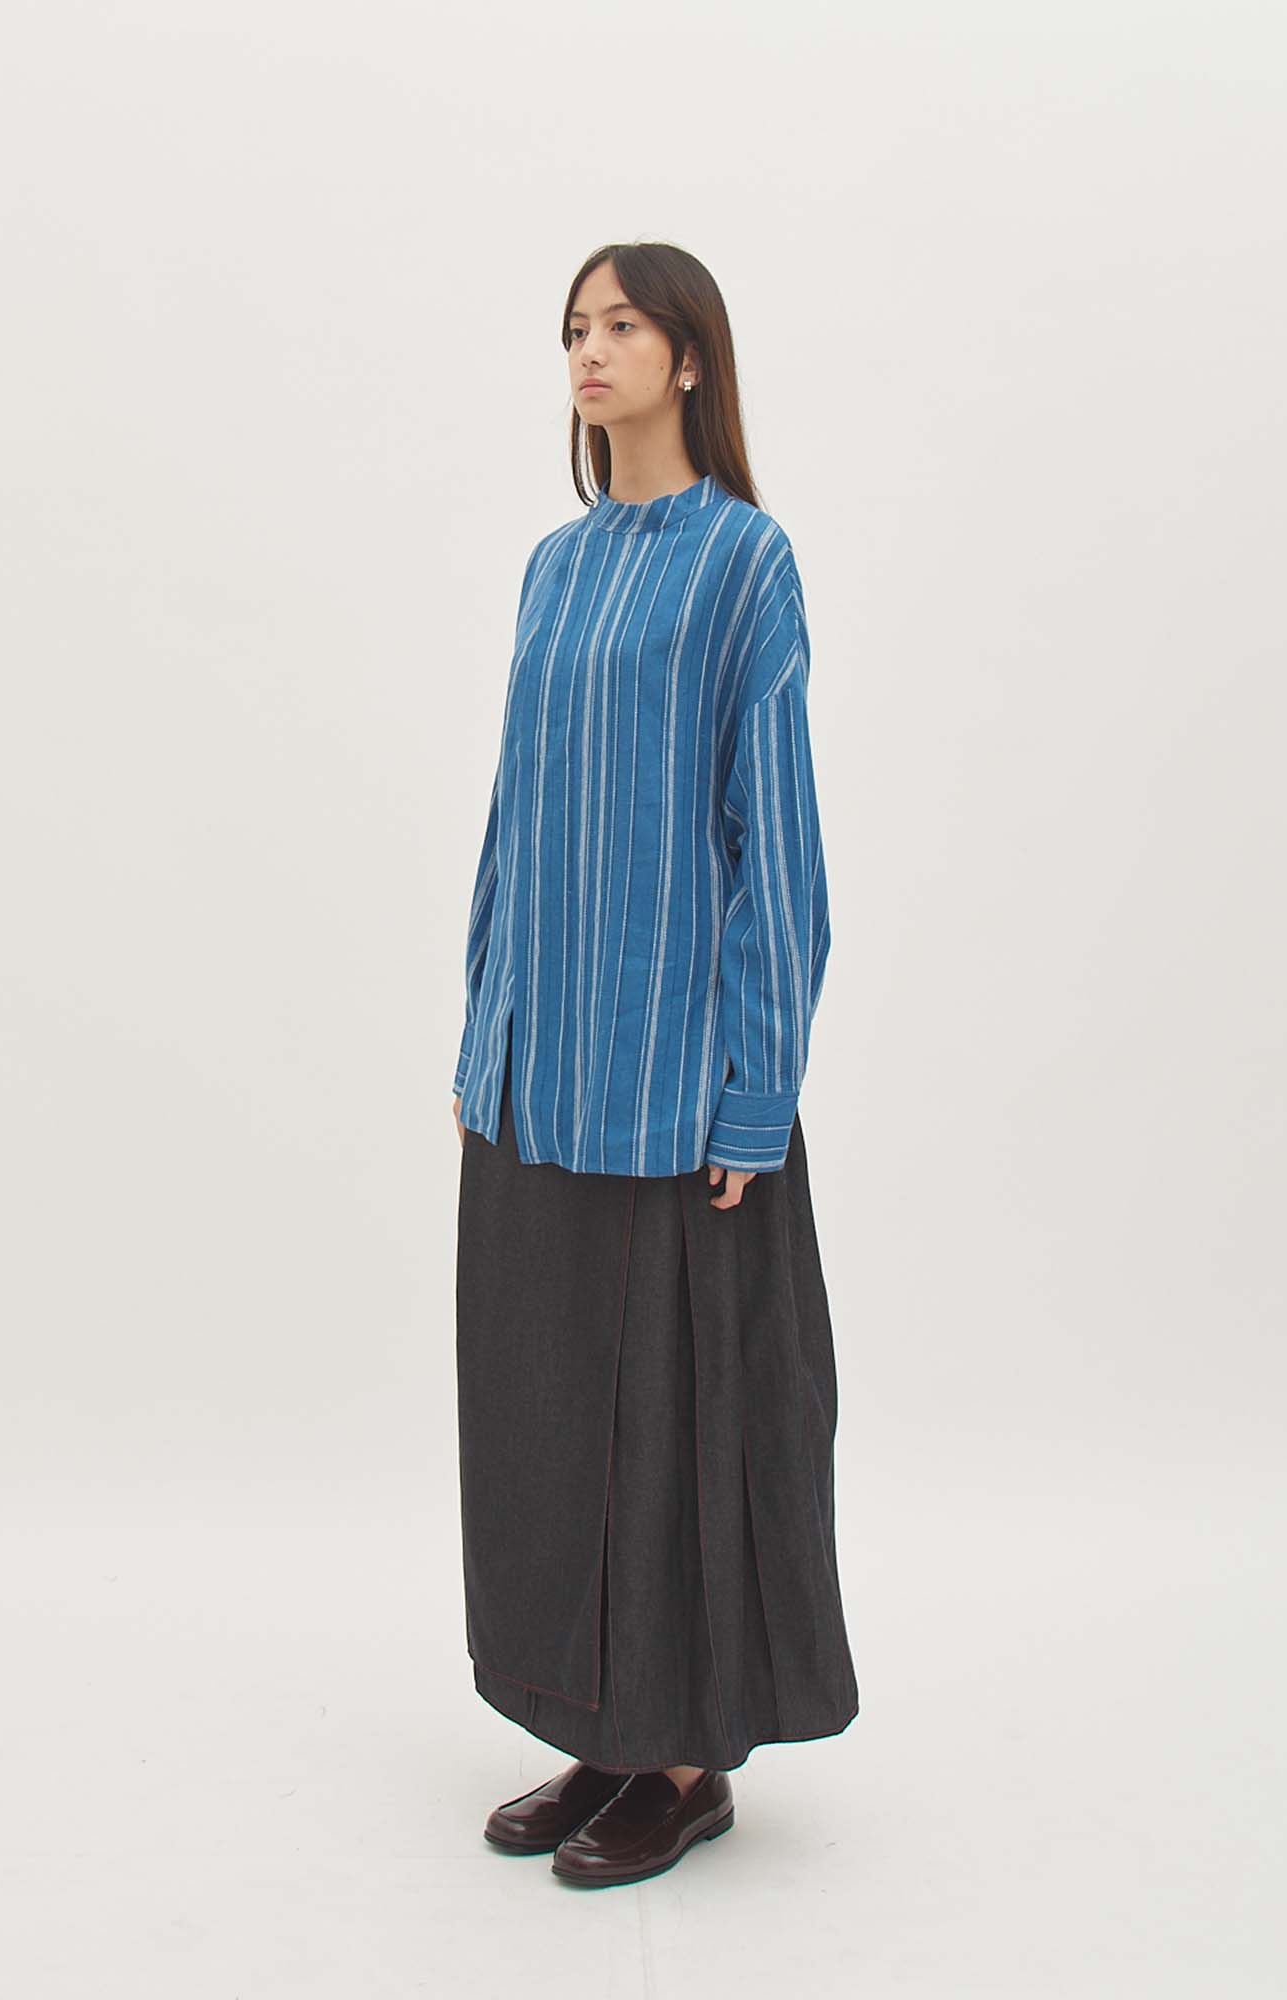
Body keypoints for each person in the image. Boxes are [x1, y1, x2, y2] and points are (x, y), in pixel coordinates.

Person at [451, 240, 858, 1890]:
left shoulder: (745, 563)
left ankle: (686, 1765)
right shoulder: (552, 570)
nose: (590, 349)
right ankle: (603, 1731)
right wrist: (484, 1031)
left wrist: (756, 1090)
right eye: (574, 326)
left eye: (622, 323)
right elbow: (514, 819)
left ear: (691, 356)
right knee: (551, 1419)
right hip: (538, 1073)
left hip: (678, 1090)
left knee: (679, 1433)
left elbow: (782, 844)